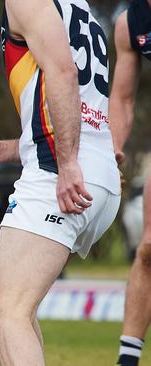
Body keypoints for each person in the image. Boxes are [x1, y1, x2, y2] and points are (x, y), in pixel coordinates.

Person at [0, 0, 121, 365]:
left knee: (8, 309)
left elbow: (63, 74)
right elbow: (76, 110)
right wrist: (2, 151)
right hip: (95, 170)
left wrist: (67, 165)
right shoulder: (80, 7)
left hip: (60, 175)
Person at [109, 1, 151, 365]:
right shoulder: (129, 23)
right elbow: (122, 98)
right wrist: (111, 153)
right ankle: (128, 359)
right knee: (149, 248)